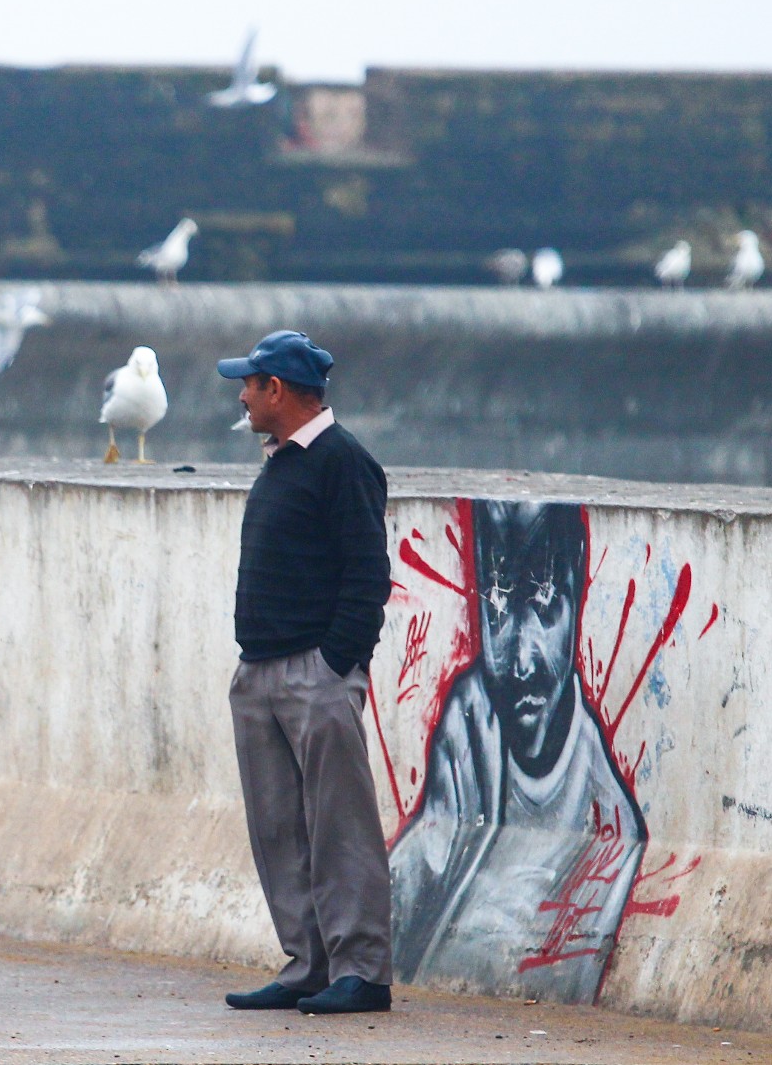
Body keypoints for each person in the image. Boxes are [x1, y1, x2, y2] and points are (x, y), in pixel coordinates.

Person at [388, 500, 644, 1003]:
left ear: (576, 596)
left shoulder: (608, 822)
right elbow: (405, 888)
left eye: (545, 606)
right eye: (499, 609)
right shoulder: (471, 720)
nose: (521, 659)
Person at [216, 330, 395, 1015]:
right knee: (278, 827)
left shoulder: (342, 461)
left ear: (279, 391)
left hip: (312, 673)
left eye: (250, 385)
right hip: (260, 671)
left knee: (339, 824)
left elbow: (367, 573)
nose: (242, 396)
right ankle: (308, 963)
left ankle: (362, 969)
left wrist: (334, 664)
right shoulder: (283, 462)